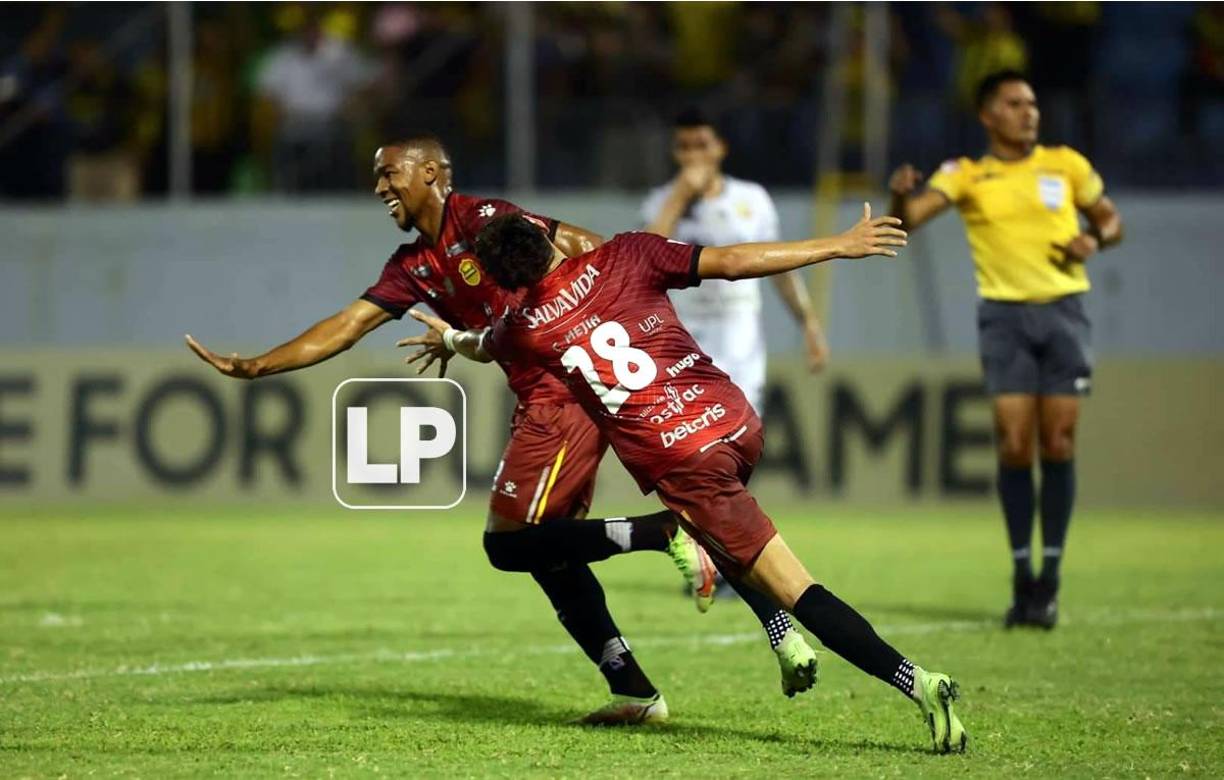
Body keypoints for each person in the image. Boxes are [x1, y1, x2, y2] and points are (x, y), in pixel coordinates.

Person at [185, 135, 818, 724]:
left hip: (561, 394)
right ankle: (651, 680)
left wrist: (618, 311)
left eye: (389, 173)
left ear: (429, 173)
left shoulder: (484, 220)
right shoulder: (414, 265)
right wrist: (261, 364)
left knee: (510, 541)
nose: (380, 186)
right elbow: (348, 325)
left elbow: (587, 247)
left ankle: (664, 534)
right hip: (541, 394)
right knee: (552, 550)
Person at [404, 207, 969, 753]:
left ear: (507, 280)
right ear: (545, 237)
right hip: (735, 423)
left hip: (685, 462)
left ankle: (916, 680)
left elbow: (482, 345)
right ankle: (779, 634)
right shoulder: (628, 251)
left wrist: (449, 339)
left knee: (796, 588)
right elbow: (732, 261)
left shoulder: (525, 327)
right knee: (725, 534)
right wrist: (837, 245)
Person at [887, 70, 1124, 629]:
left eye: (1033, 102)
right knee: (1016, 444)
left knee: (1059, 440)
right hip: (1004, 318)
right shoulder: (968, 174)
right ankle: (1022, 573)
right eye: (1016, 103)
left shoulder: (1066, 164)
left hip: (1065, 310)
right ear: (988, 115)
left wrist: (1096, 238)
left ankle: (1051, 579)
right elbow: (909, 219)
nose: (1030, 112)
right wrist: (899, 189)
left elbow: (1111, 220)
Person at [643, 108, 828, 600]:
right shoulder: (663, 201)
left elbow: (779, 265)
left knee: (731, 457)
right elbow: (643, 255)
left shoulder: (752, 200)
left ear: (720, 148)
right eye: (684, 148)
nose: (694, 157)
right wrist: (682, 194)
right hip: (682, 346)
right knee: (692, 461)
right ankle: (720, 558)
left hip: (741, 340)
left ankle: (724, 557)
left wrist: (807, 321)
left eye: (702, 145)